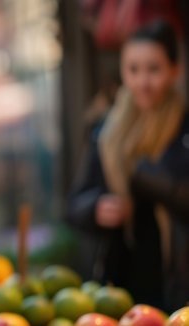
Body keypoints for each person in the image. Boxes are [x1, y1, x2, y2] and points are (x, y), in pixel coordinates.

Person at [67, 20, 189, 312]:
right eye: (133, 70)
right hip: (119, 285)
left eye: (153, 69)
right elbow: (74, 205)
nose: (142, 82)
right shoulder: (106, 132)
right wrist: (97, 209)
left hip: (178, 283)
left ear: (175, 70)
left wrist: (140, 173)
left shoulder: (184, 127)